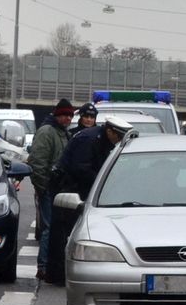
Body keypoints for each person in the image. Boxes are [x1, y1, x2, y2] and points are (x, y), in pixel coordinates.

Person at [46, 115, 132, 285]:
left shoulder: (101, 139)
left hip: (80, 188)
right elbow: (81, 169)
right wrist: (103, 183)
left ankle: (58, 273)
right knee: (64, 233)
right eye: (119, 136)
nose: (119, 140)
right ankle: (56, 275)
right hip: (69, 189)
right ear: (110, 131)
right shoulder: (89, 139)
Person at [27, 99, 76, 280]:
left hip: (57, 188)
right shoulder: (48, 132)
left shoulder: (62, 133)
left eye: (70, 115)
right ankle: (43, 267)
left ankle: (49, 266)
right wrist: (43, 187)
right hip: (49, 188)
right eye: (64, 115)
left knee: (54, 228)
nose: (67, 118)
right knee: (48, 228)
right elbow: (37, 161)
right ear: (57, 115)